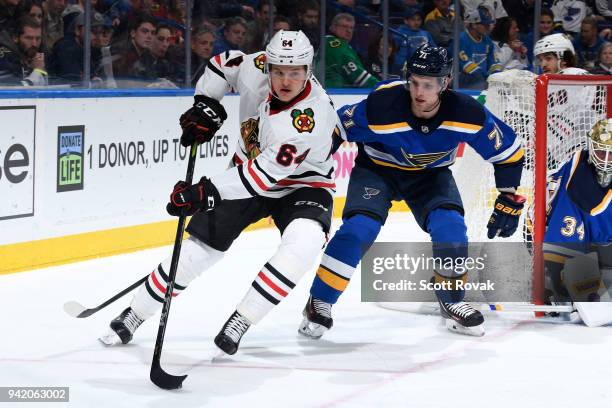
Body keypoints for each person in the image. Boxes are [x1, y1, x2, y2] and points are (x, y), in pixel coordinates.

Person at [99, 30, 339, 356]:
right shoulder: (255, 66)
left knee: (305, 241)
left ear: (308, 69)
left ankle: (242, 319)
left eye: (294, 72)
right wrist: (207, 103)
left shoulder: (307, 119)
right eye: (278, 71)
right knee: (197, 250)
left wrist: (206, 191)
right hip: (248, 169)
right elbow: (222, 64)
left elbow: (263, 177)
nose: (285, 80)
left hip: (303, 184)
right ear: (267, 64)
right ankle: (135, 313)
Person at [299, 44, 525, 339]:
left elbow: (509, 152)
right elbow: (336, 128)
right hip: (377, 171)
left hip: (429, 176)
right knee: (358, 230)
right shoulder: (383, 105)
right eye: (414, 82)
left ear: (444, 84)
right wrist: (310, 171)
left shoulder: (467, 113)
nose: (419, 93)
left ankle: (452, 300)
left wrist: (508, 196)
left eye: (428, 85)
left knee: (451, 229)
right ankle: (319, 302)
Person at [543, 118, 611, 326]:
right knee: (580, 295)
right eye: (601, 153)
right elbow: (564, 243)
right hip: (557, 239)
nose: (607, 161)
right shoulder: (577, 182)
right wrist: (588, 294)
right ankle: (550, 285)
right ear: (591, 147)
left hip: (599, 240)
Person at [317, 13, 377, 88]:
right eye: (344, 26)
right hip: (334, 92)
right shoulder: (333, 44)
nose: (349, 30)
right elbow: (357, 75)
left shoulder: (343, 46)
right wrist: (380, 86)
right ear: (333, 27)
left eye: (351, 28)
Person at [459, 5, 503, 90]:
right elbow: (465, 65)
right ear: (474, 24)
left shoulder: (487, 40)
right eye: (485, 24)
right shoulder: (461, 39)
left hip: (481, 79)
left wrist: (497, 75)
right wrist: (486, 78)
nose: (488, 27)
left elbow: (494, 62)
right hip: (464, 79)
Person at [0, 16, 48, 86]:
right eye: (29, 38)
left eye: (38, 39)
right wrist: (38, 71)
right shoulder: (4, 58)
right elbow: (11, 91)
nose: (34, 44)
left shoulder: (37, 57)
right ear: (15, 38)